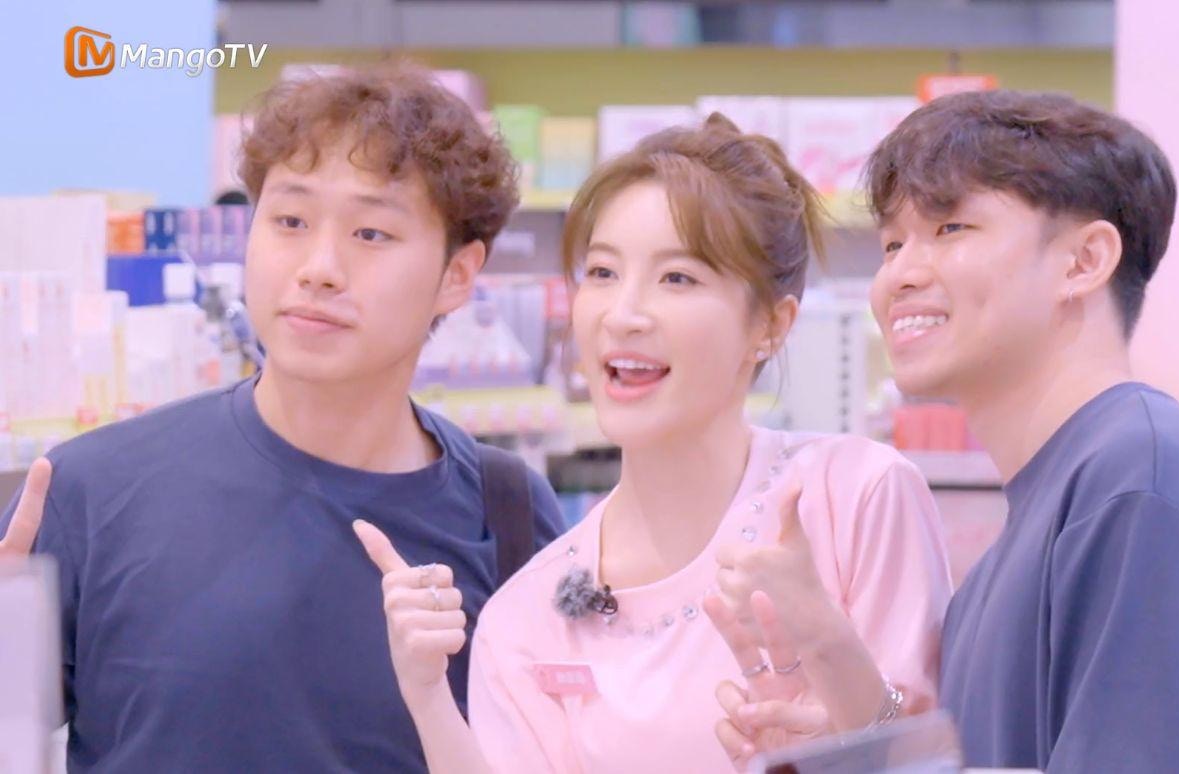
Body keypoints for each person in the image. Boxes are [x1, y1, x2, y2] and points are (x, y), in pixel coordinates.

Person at [0, 63, 565, 771]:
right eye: (290, 221)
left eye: (371, 233)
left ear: (457, 275)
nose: (319, 267)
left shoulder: (508, 515)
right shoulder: (91, 489)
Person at [355, 115, 954, 773]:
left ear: (769, 324)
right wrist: (428, 697)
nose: (623, 314)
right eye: (602, 272)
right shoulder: (527, 615)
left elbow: (939, 757)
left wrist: (827, 646)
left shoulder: (854, 498)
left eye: (677, 278)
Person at [852, 89, 1179, 773]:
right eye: (890, 243)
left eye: (949, 228)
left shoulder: (1143, 479)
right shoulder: (1040, 520)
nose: (899, 276)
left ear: (1084, 261)